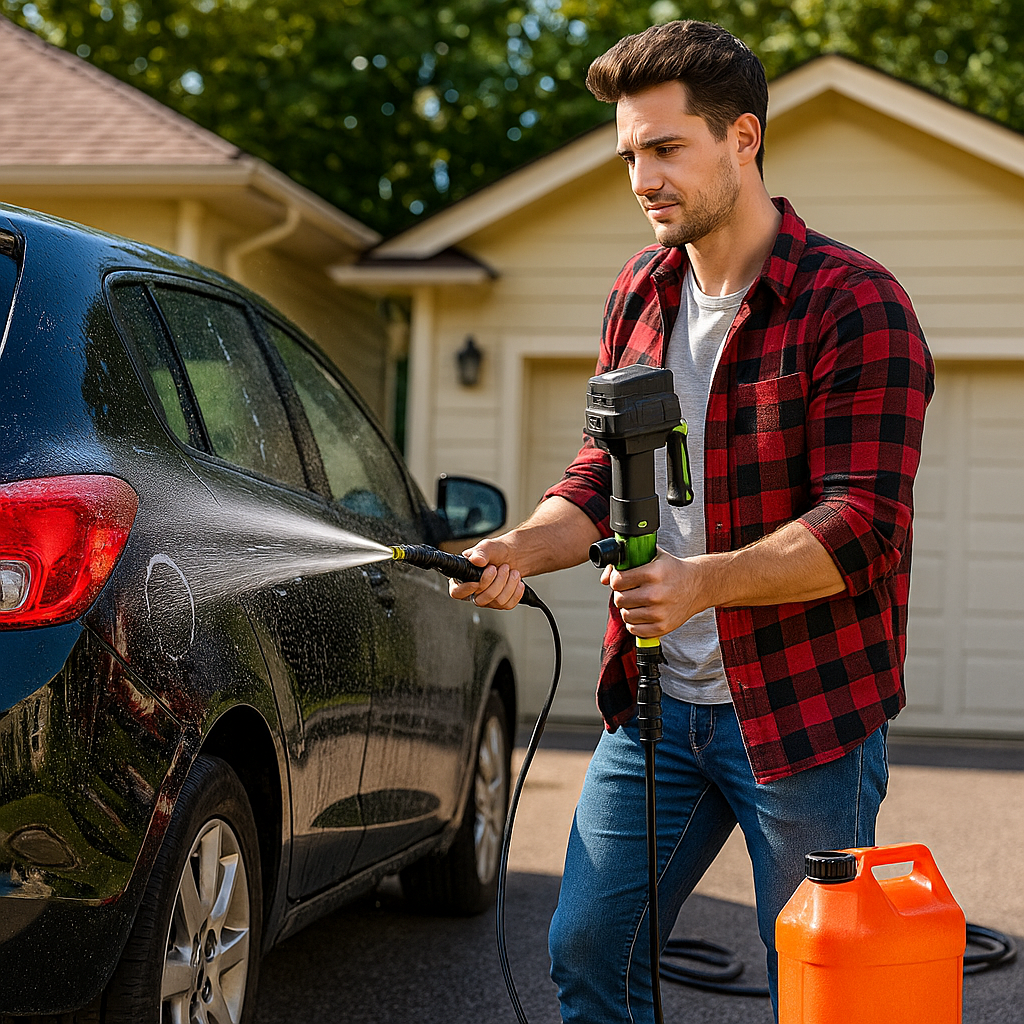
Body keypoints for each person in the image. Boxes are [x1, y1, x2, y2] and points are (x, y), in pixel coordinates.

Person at [450, 19, 934, 1023]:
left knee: (822, 998)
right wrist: (519, 547)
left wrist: (699, 579)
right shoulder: (640, 290)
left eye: (665, 147)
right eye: (629, 152)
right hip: (661, 705)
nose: (642, 175)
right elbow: (599, 473)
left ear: (741, 139)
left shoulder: (852, 304)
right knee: (588, 951)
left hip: (804, 718)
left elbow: (861, 524)